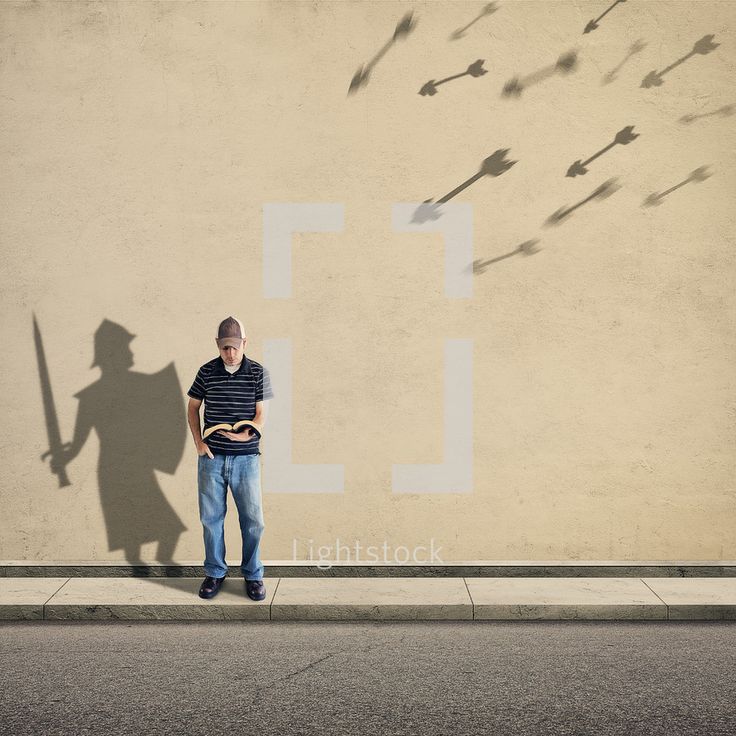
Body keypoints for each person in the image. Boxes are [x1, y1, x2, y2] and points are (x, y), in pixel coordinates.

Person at [186, 316, 274, 601]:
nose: (231, 353)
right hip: (211, 458)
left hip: (246, 459)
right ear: (218, 345)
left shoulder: (258, 372)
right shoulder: (207, 372)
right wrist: (199, 442)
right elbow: (192, 407)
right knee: (211, 519)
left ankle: (253, 575)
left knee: (253, 520)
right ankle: (215, 573)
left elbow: (261, 413)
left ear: (244, 343)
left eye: (235, 347)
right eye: (225, 348)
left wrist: (248, 433)